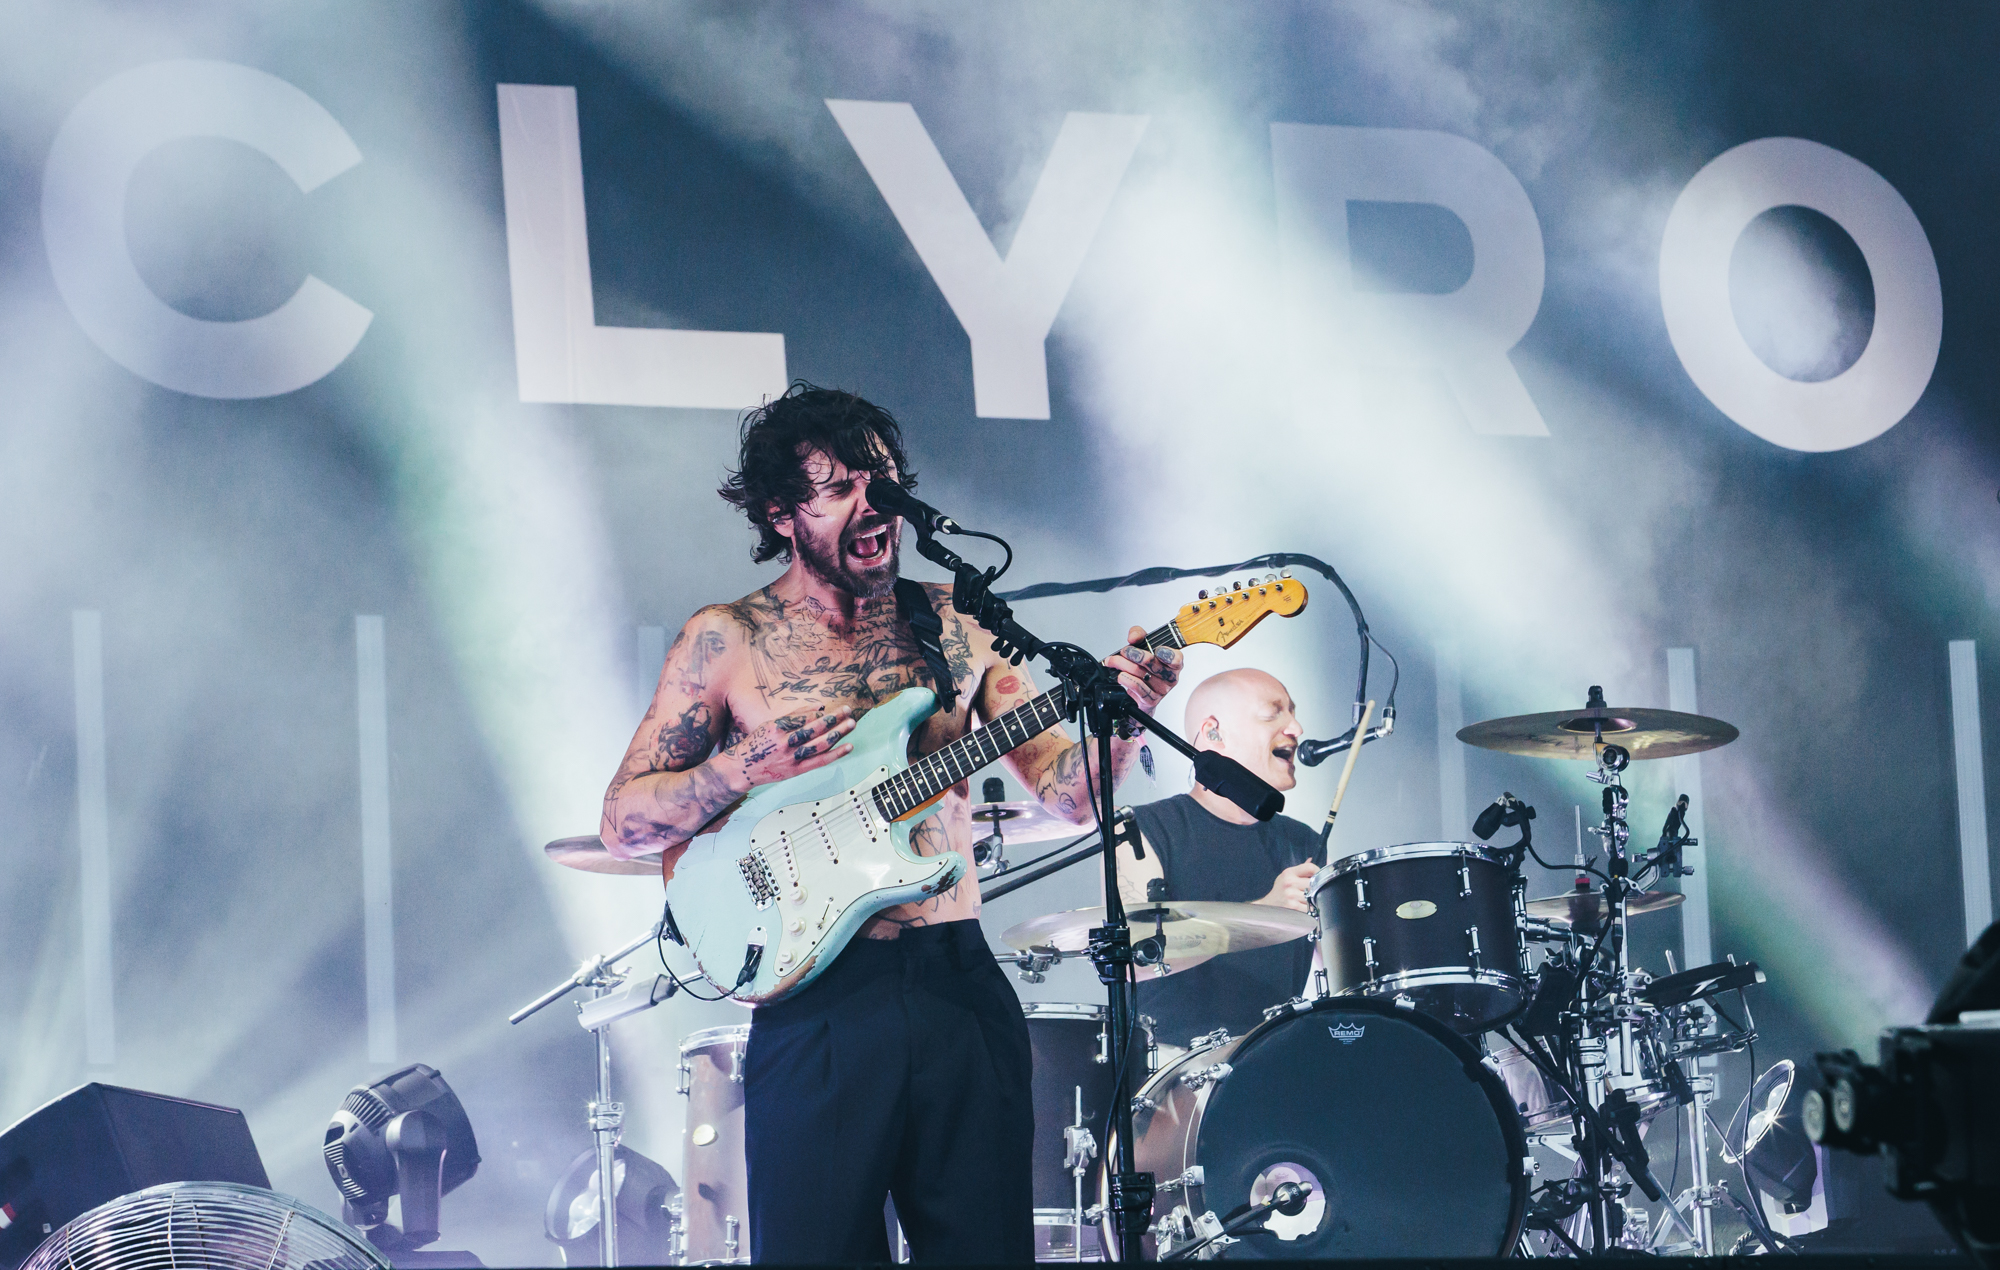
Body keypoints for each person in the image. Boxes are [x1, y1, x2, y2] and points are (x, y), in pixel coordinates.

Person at [599, 383, 1180, 1264]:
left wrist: (1127, 715)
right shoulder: (727, 641)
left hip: (956, 986)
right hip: (819, 1002)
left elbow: (1068, 797)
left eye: (886, 479)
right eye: (840, 489)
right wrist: (737, 769)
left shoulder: (955, 625)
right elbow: (623, 821)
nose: (875, 505)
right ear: (781, 513)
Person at [1109, 668, 1321, 1050]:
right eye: (1274, 713)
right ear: (1212, 733)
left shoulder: (1302, 840)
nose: (1296, 727)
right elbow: (1133, 959)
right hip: (1176, 1077)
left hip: (1280, 1060)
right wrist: (1264, 914)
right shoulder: (1142, 827)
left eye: (1292, 712)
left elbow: (1339, 971)